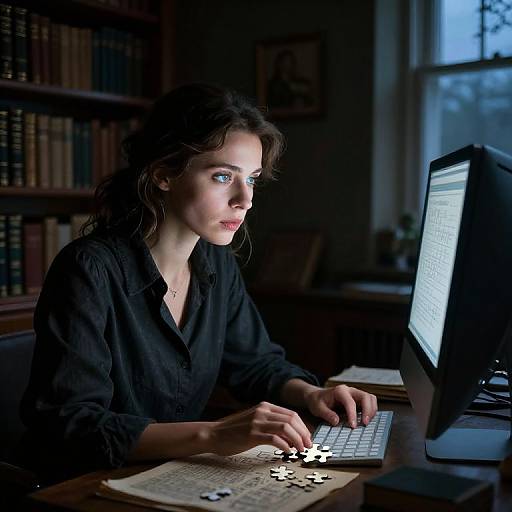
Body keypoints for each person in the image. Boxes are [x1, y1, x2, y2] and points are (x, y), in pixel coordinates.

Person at [19, 83, 377, 482]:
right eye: (223, 176)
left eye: (253, 179)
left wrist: (313, 395)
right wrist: (214, 434)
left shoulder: (216, 265)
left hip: (172, 476)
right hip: (84, 485)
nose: (246, 199)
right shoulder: (88, 269)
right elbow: (73, 424)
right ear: (163, 175)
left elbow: (256, 364)